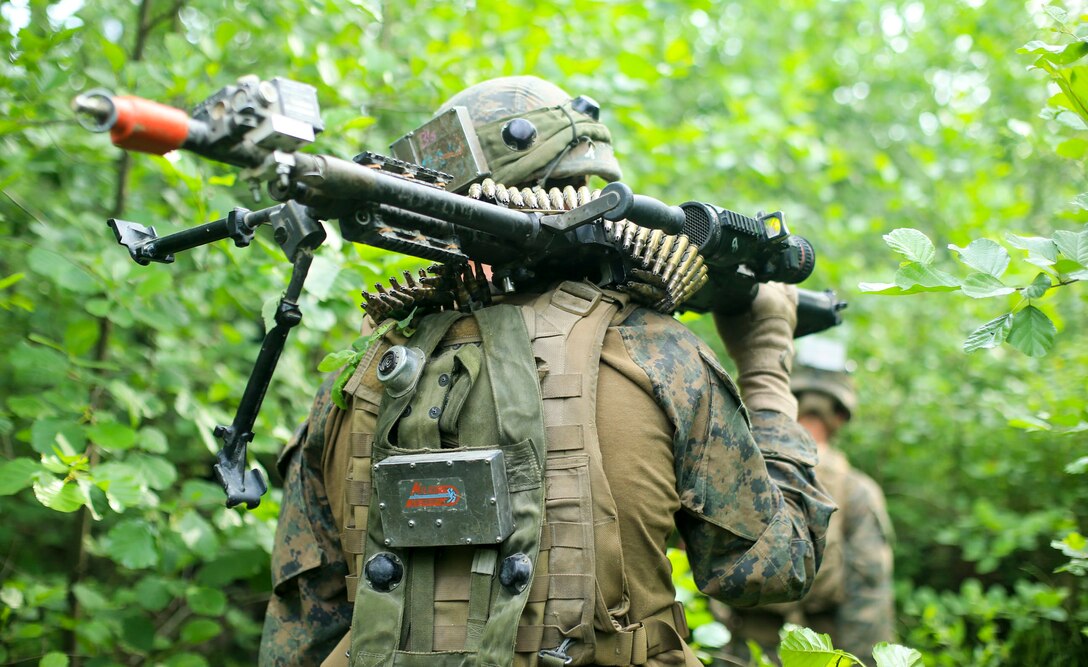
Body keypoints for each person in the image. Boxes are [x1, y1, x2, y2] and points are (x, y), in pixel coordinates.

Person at [258, 75, 833, 667]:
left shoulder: (356, 379)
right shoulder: (659, 356)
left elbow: (301, 631)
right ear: (582, 187)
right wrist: (765, 361)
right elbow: (771, 570)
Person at [713, 336, 895, 664]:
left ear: (786, 401)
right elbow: (868, 610)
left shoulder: (738, 474)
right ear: (840, 415)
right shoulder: (858, 493)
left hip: (740, 654)